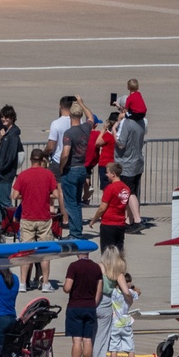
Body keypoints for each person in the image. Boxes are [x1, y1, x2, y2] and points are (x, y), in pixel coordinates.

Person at [12, 148, 65, 291]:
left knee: (25, 251)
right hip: (43, 217)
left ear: (31, 160)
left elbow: (15, 195)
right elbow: (55, 194)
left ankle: (23, 283)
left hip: (28, 217)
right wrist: (44, 195)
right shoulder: (48, 175)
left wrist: (27, 195)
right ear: (42, 160)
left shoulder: (23, 175)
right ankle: (45, 282)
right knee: (45, 252)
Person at [60, 252, 103, 357]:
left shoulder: (74, 266)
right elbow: (99, 290)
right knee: (87, 339)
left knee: (77, 339)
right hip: (90, 306)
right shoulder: (96, 267)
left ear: (78, 253)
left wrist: (64, 286)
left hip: (75, 305)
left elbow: (67, 288)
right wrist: (93, 303)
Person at [91, 247, 132, 357]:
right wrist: (130, 301)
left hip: (93, 300)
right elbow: (126, 291)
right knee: (101, 337)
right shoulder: (117, 271)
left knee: (90, 336)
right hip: (106, 303)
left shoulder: (98, 267)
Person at [58, 98, 93, 239]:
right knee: (77, 203)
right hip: (82, 168)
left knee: (71, 204)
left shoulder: (69, 133)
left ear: (70, 116)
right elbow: (90, 117)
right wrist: (82, 103)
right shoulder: (85, 128)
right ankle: (76, 230)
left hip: (71, 169)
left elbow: (65, 153)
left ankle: (75, 233)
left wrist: (61, 167)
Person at [114, 97, 146, 233]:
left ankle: (137, 220)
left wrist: (114, 130)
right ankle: (128, 220)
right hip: (137, 161)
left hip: (127, 163)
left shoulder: (127, 123)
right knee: (132, 191)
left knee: (129, 192)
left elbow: (121, 143)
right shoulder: (142, 122)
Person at [0, 104, 22, 229]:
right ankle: (0, 224)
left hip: (5, 174)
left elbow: (10, 157)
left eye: (7, 117)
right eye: (2, 117)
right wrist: (0, 139)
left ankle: (11, 226)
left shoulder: (13, 135)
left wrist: (2, 169)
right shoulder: (6, 134)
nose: (4, 119)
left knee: (5, 202)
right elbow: (1, 152)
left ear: (12, 118)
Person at [89, 163, 131, 253]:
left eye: (107, 172)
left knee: (107, 252)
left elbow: (102, 208)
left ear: (113, 174)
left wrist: (94, 220)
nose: (106, 175)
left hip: (108, 224)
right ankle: (118, 266)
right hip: (120, 224)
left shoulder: (110, 188)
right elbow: (126, 206)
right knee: (119, 250)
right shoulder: (126, 188)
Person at [110, 272, 140, 357]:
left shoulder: (113, 292)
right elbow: (139, 292)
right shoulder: (130, 293)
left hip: (115, 323)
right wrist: (132, 286)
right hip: (126, 322)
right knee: (130, 349)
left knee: (114, 348)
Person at [45, 96, 74, 180]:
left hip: (58, 160)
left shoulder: (56, 123)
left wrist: (44, 153)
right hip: (73, 161)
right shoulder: (78, 121)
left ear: (60, 106)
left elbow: (51, 146)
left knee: (57, 188)